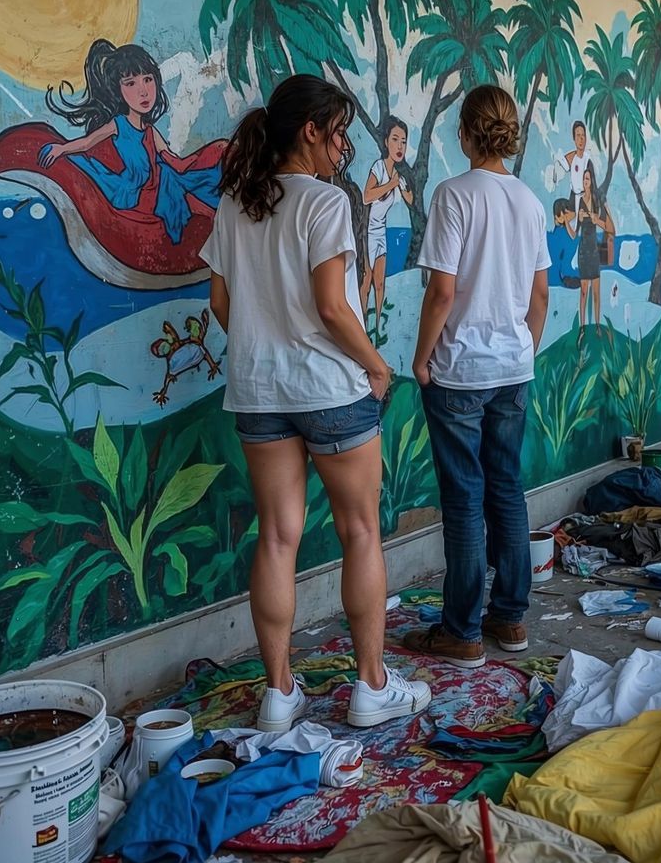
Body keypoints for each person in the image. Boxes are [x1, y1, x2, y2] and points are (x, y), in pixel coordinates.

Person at [201, 74, 430, 730]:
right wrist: (376, 365)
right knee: (360, 531)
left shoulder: (235, 205)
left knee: (277, 537)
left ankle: (277, 694)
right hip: (330, 388)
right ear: (311, 131)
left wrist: (259, 347)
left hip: (258, 390)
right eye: (339, 136)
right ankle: (371, 686)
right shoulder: (325, 205)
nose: (345, 151)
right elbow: (332, 306)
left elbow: (220, 304)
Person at [407, 85, 551, 669]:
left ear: (464, 133)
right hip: (513, 368)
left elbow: (442, 291)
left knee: (465, 501)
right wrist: (523, 351)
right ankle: (511, 620)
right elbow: (539, 294)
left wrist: (421, 360)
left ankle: (462, 631)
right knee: (507, 489)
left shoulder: (452, 195)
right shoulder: (530, 202)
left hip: (460, 371)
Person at [40, 38, 222, 244]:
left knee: (178, 181)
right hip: (135, 191)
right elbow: (86, 143)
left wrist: (203, 159)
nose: (143, 91)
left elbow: (172, 160)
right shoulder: (119, 124)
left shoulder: (150, 130)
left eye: (148, 79)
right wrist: (62, 148)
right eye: (131, 83)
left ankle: (215, 225)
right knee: (175, 185)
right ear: (119, 90)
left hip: (160, 183)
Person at [360, 118, 414, 337]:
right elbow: (366, 196)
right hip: (368, 233)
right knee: (366, 283)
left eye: (403, 141)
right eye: (395, 140)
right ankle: (362, 329)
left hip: (382, 232)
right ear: (385, 142)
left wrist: (404, 186)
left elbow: (411, 200)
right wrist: (390, 185)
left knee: (379, 283)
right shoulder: (378, 167)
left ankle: (376, 333)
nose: (400, 146)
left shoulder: (397, 175)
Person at [576, 163, 615, 326]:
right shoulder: (579, 200)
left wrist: (596, 219)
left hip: (594, 249)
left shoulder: (597, 200)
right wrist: (578, 218)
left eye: (588, 178)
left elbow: (611, 228)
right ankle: (583, 327)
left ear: (591, 181)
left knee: (597, 292)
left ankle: (598, 325)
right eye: (584, 178)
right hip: (583, 250)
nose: (585, 181)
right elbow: (574, 226)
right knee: (584, 291)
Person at [548, 197, 582, 290]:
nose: (572, 214)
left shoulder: (561, 231)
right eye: (566, 213)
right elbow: (573, 240)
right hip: (562, 275)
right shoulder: (561, 233)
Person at [563, 121, 594, 204]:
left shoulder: (588, 161)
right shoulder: (571, 158)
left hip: (585, 199)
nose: (581, 139)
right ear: (574, 138)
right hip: (574, 198)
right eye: (578, 135)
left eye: (583, 135)